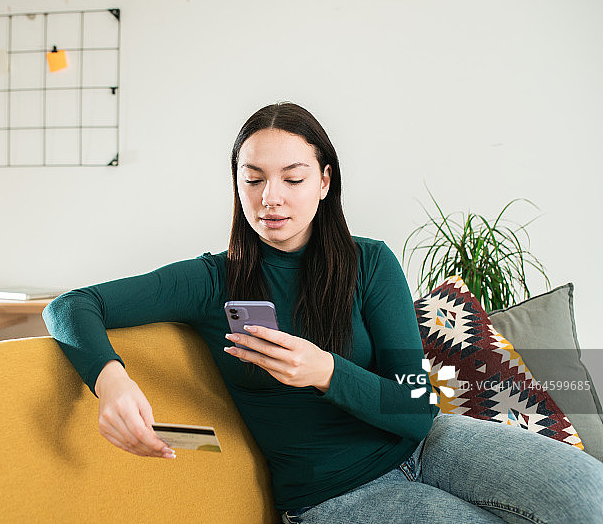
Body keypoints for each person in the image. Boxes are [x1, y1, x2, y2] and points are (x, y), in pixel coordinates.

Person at [43, 102, 603, 523]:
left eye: (293, 178)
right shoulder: (211, 280)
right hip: (336, 495)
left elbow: (414, 410)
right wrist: (111, 382)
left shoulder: (370, 263)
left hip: (429, 443)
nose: (271, 198)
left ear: (324, 181)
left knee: (589, 495)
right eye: (253, 179)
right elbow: (73, 305)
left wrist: (325, 371)